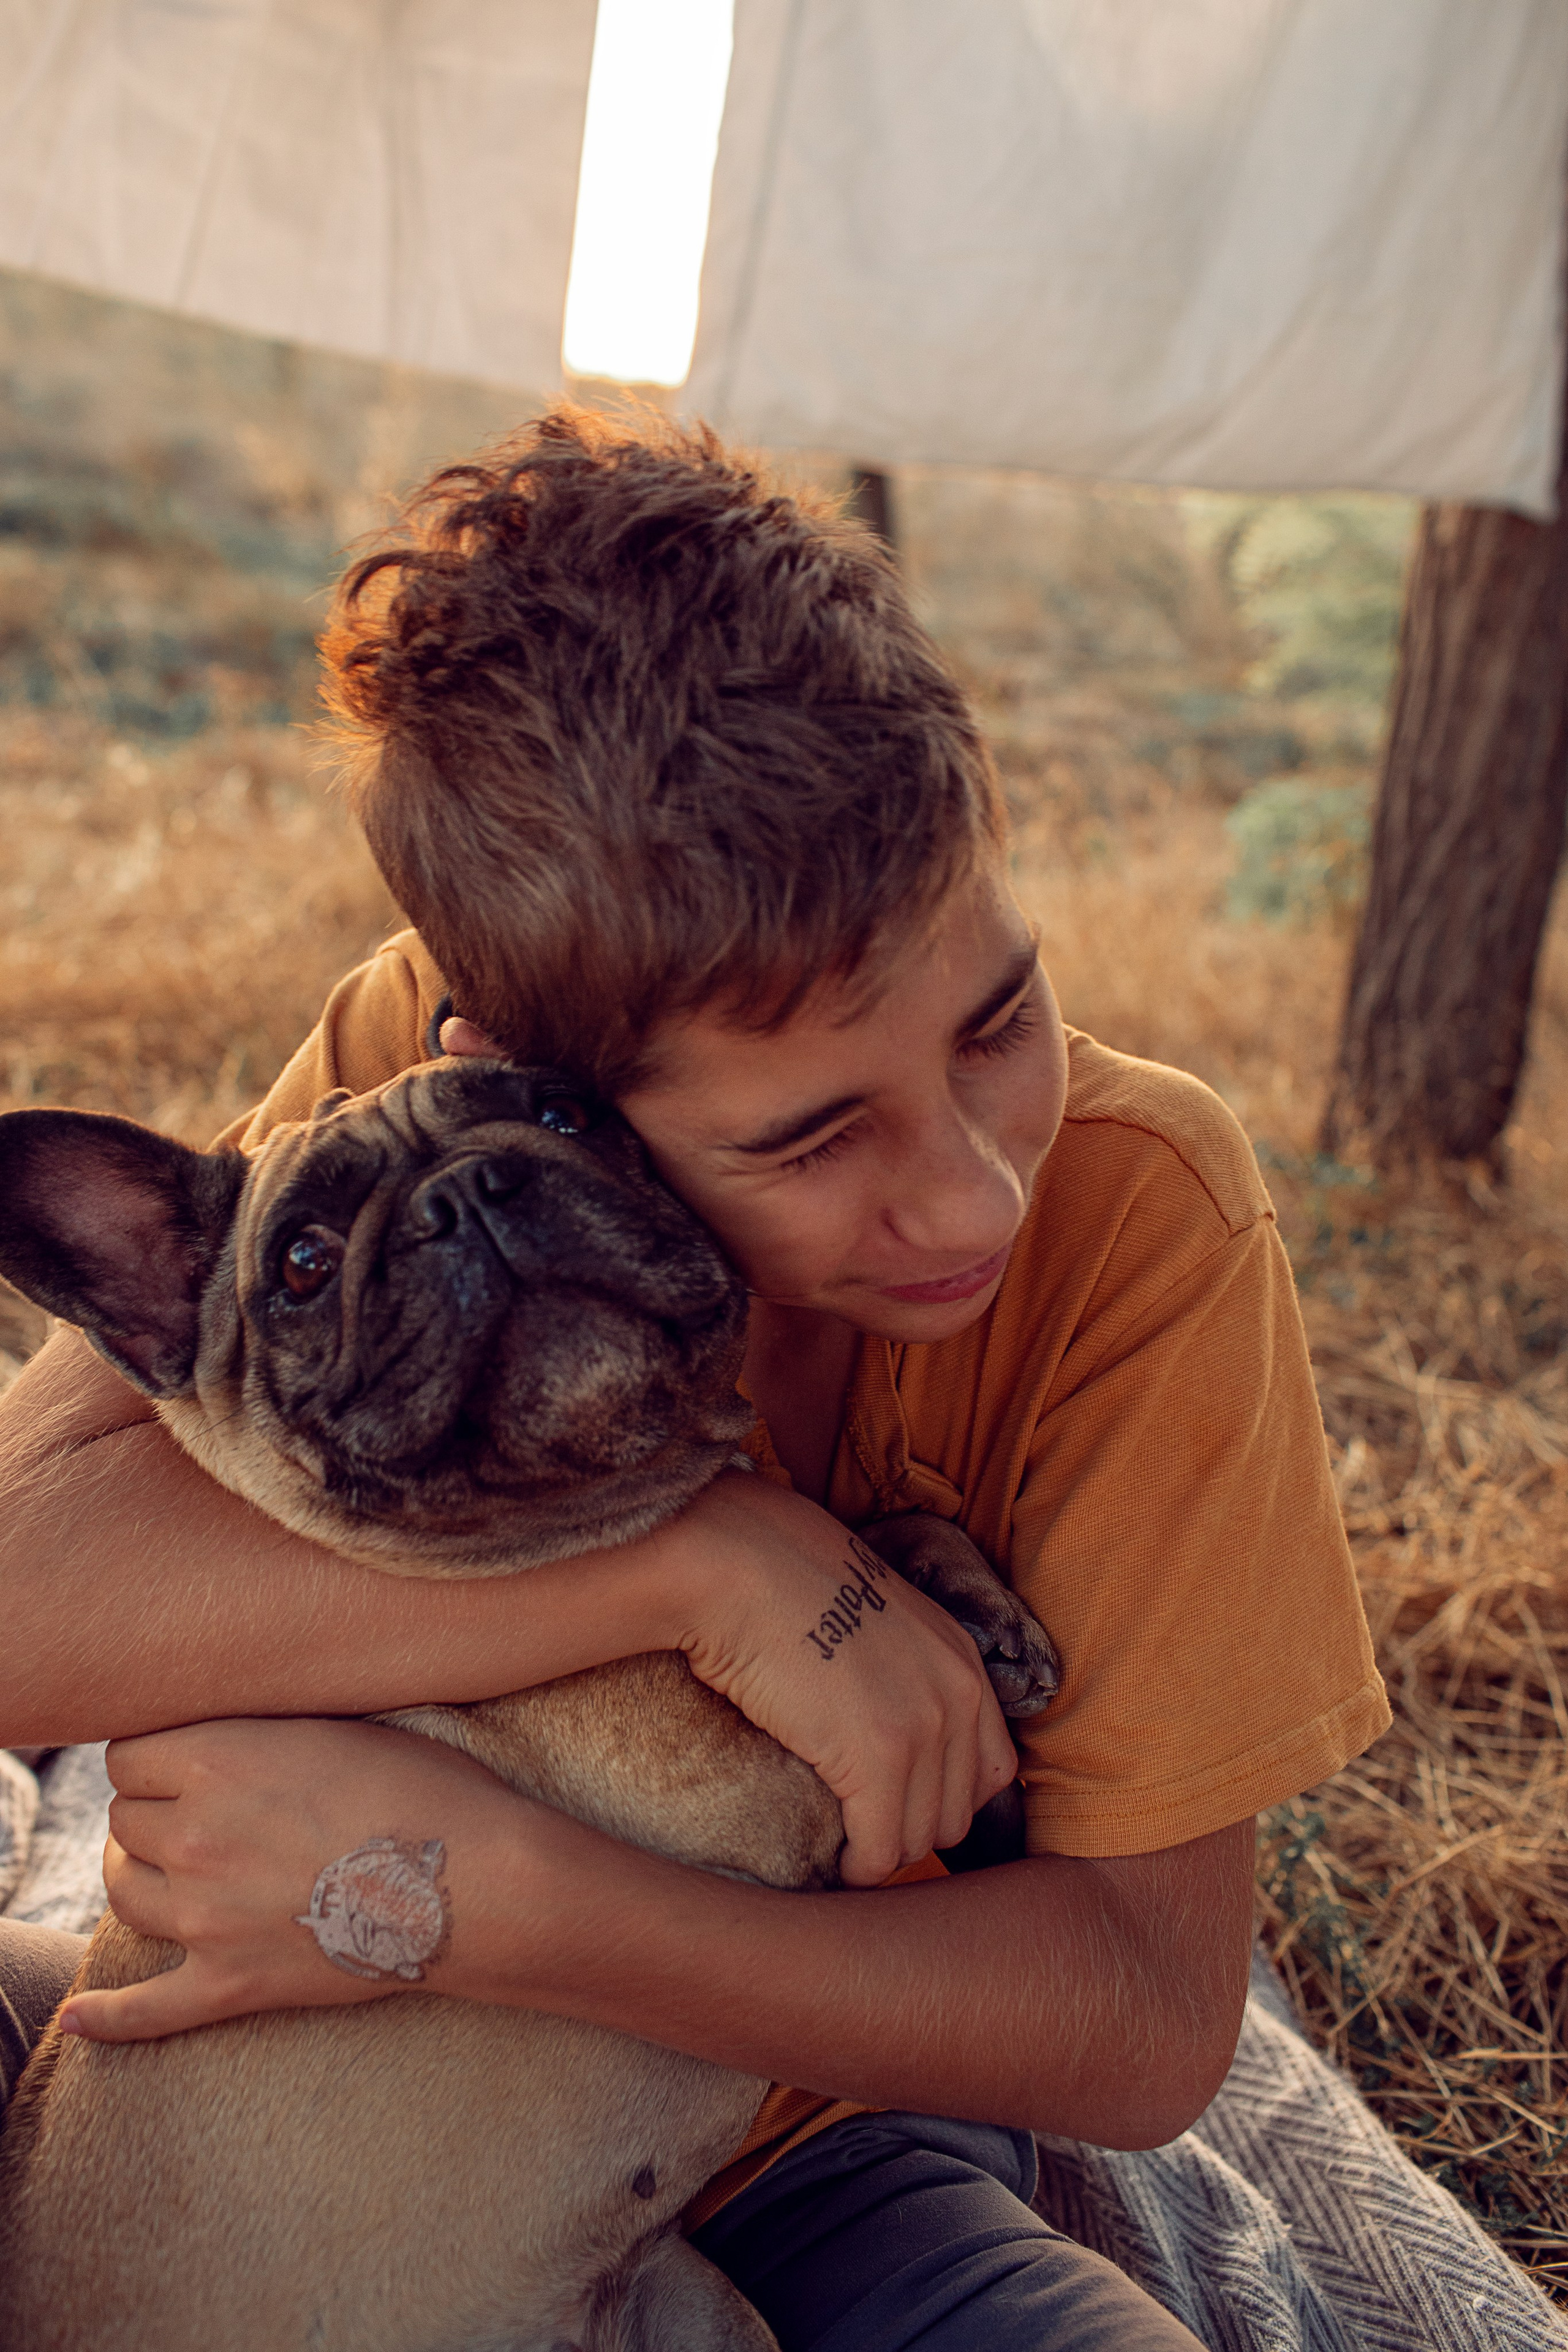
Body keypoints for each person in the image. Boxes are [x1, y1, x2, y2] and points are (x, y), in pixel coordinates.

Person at [0, 407, 1389, 2351]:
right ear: (534, 1078)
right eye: (812, 1141)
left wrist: (487, 1901)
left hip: (810, 2127)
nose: (972, 1185)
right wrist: (706, 1570)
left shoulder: (1139, 1229)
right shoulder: (439, 1117)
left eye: (1002, 1019)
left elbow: (1148, 2024)